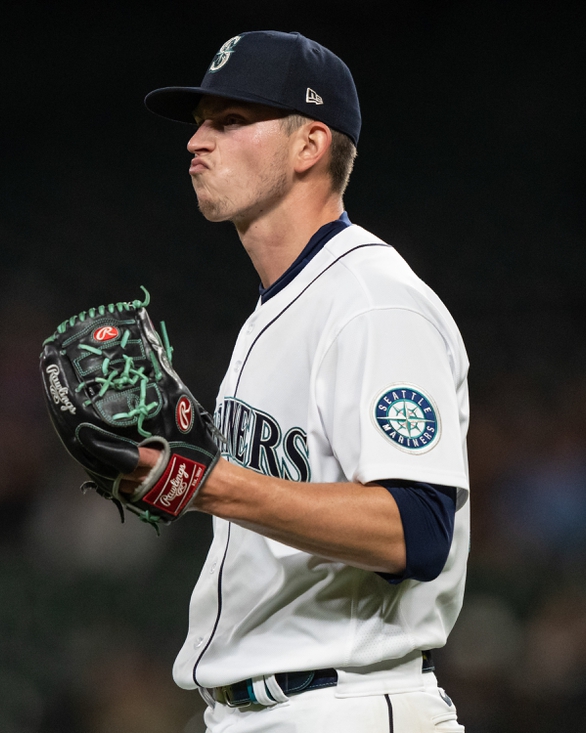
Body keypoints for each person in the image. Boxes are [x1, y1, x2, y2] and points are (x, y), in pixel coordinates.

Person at [137, 31, 471, 732]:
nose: (198, 142)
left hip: (343, 702)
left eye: (230, 122)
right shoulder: (278, 308)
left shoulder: (372, 301)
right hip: (267, 709)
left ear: (309, 145)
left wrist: (208, 481)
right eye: (200, 123)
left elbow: (417, 529)